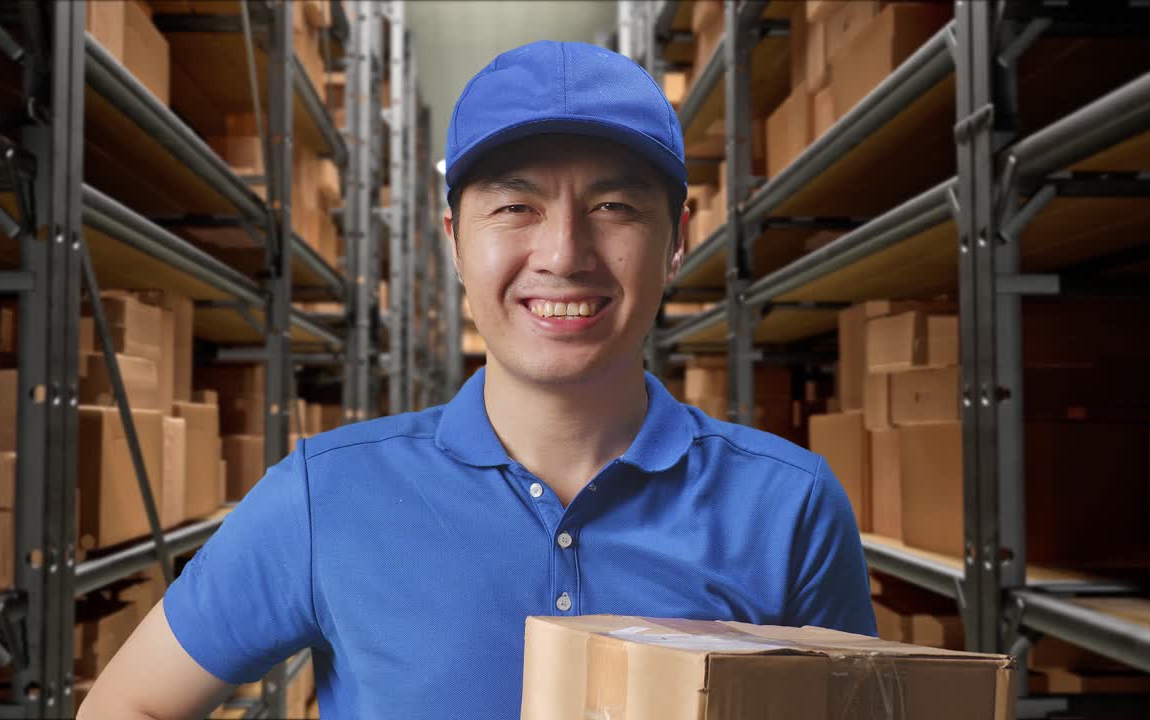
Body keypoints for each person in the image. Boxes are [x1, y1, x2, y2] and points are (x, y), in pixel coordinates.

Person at [78, 40, 873, 720]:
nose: (564, 252)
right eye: (515, 207)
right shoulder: (327, 496)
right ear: (455, 239)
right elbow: (125, 704)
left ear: (677, 240)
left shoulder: (790, 506)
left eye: (615, 206)